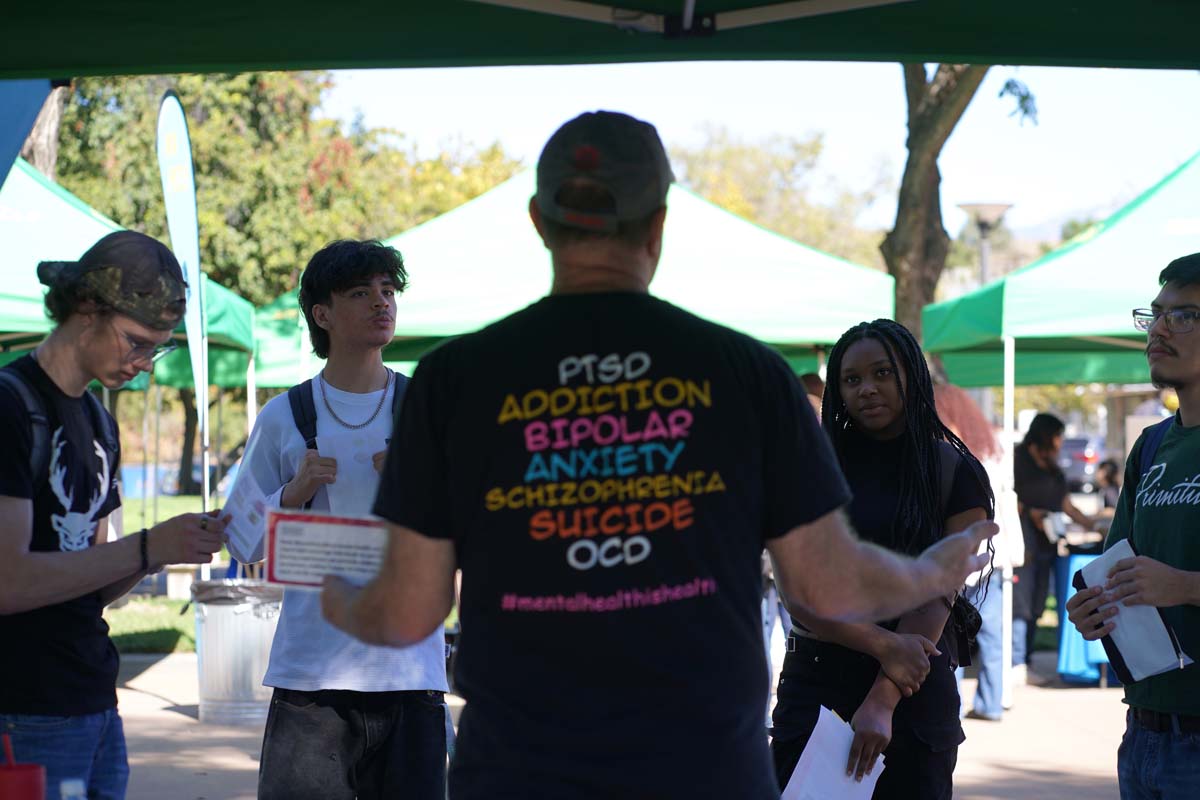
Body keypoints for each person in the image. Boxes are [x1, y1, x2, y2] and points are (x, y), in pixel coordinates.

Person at [319, 110, 994, 800]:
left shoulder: (453, 380)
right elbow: (824, 585)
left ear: (539, 221)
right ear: (658, 224)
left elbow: (407, 613)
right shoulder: (747, 374)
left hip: (520, 767)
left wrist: (336, 594)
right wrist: (922, 572)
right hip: (702, 767)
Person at [0, 230, 226, 798]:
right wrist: (149, 547)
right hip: (24, 709)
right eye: (138, 342)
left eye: (159, 348)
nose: (146, 364)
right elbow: (9, 581)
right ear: (86, 310)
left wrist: (169, 549)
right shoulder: (10, 405)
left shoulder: (100, 423)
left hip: (95, 700)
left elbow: (90, 585)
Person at [226, 240, 449, 799]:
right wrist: (293, 491)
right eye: (360, 292)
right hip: (312, 685)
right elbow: (240, 539)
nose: (382, 302)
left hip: (412, 678)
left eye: (388, 290)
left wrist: (417, 484)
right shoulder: (284, 415)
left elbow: (474, 534)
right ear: (321, 314)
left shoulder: (430, 408)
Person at [770, 322, 994, 798]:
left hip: (912, 684)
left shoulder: (954, 470)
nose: (867, 388)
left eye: (882, 373)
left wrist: (882, 697)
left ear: (911, 375)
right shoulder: (812, 467)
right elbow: (798, 589)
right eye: (851, 379)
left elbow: (938, 594)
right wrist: (878, 643)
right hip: (816, 679)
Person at [1067, 253, 1200, 799]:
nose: (1159, 329)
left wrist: (1186, 587)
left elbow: (1169, 583)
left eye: (1184, 315)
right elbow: (1117, 568)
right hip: (1143, 734)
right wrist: (1093, 607)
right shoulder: (1149, 448)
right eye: (1156, 314)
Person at [933, 383, 1014, 722]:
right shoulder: (988, 449)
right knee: (988, 633)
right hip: (986, 560)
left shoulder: (949, 456)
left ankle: (954, 704)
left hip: (964, 558)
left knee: (947, 632)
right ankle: (989, 701)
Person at [1012, 413, 1097, 678]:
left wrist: (1093, 525)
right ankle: (1016, 661)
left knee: (1038, 602)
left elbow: (1065, 505)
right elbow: (1004, 496)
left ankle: (1027, 658)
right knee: (1021, 600)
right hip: (1023, 540)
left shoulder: (1053, 467)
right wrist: (1030, 511)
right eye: (1058, 435)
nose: (1061, 441)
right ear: (1046, 434)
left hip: (1048, 542)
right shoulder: (1017, 459)